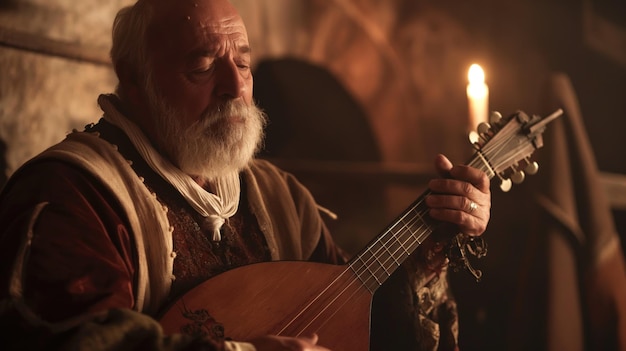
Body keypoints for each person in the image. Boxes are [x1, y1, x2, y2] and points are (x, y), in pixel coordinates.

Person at [0, 0, 491, 350]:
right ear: (134, 79)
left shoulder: (278, 197)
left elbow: (351, 315)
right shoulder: (74, 196)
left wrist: (430, 242)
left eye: (243, 63)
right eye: (203, 66)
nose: (235, 87)